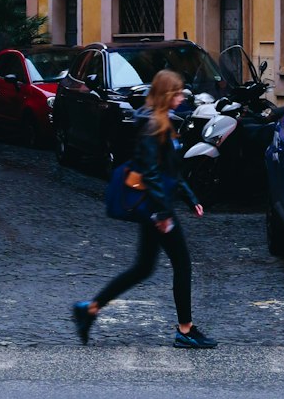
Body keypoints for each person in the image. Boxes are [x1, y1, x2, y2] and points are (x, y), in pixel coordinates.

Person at [72, 68, 217, 349]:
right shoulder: (154, 126)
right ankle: (185, 330)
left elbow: (169, 171)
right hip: (157, 208)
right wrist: (163, 214)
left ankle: (90, 308)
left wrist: (189, 197)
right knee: (182, 265)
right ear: (166, 95)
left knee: (142, 268)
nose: (181, 97)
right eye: (177, 93)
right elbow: (151, 174)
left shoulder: (162, 122)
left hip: (158, 206)